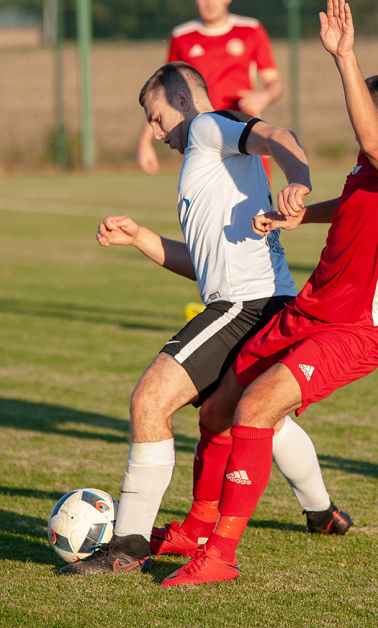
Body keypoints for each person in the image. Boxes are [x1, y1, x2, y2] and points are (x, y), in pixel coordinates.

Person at [161, 0, 378, 587]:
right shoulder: (374, 169)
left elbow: (372, 144)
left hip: (355, 331)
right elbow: (355, 201)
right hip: (309, 312)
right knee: (215, 409)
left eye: (370, 122)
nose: (360, 133)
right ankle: (196, 524)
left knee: (256, 407)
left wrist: (344, 57)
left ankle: (222, 555)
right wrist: (300, 215)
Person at [57, 61, 352, 577]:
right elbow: (204, 265)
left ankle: (126, 547)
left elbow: (279, 134)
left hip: (247, 306)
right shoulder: (203, 161)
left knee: (150, 400)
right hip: (257, 301)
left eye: (155, 117)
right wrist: (142, 239)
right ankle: (322, 513)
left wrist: (300, 183)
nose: (154, 131)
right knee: (255, 418)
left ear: (184, 101)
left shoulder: (207, 127)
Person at [136, 0, 282, 182]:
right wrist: (144, 142)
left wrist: (263, 96)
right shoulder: (182, 37)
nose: (209, 1)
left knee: (257, 209)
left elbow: (275, 85)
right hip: (203, 137)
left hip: (245, 132)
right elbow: (160, 95)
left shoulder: (250, 30)